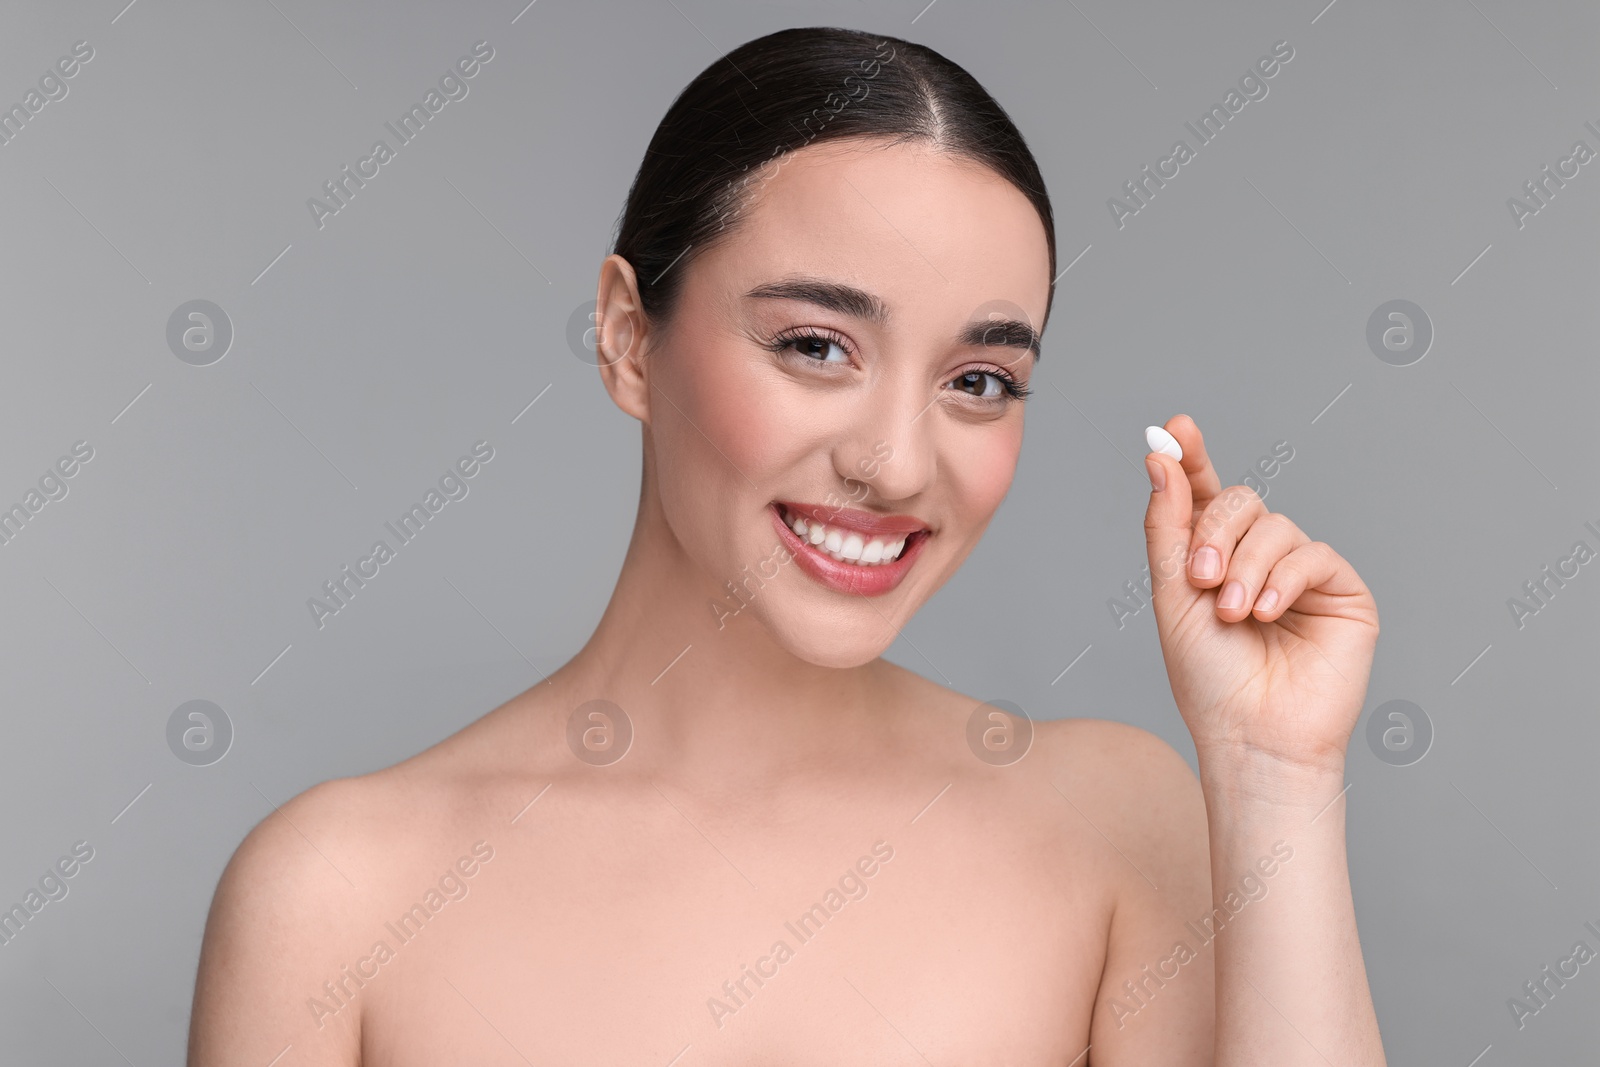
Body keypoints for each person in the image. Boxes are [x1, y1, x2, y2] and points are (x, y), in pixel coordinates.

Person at [189, 25, 1385, 1065]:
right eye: (816, 345)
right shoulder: (336, 898)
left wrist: (1273, 776)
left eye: (978, 378)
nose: (897, 463)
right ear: (626, 339)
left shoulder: (1114, 821)